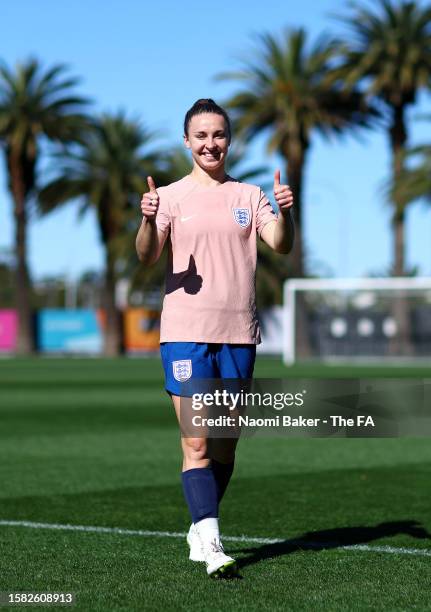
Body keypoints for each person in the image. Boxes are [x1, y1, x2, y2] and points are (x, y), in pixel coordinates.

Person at [136, 98, 294, 578]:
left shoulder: (250, 196)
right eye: (201, 135)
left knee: (225, 446)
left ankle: (200, 526)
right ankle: (210, 542)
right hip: (185, 334)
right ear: (187, 141)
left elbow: (280, 244)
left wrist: (287, 212)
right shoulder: (168, 196)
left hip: (238, 337)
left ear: (229, 139)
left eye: (218, 135)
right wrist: (145, 219)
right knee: (197, 444)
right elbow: (146, 255)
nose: (211, 143)